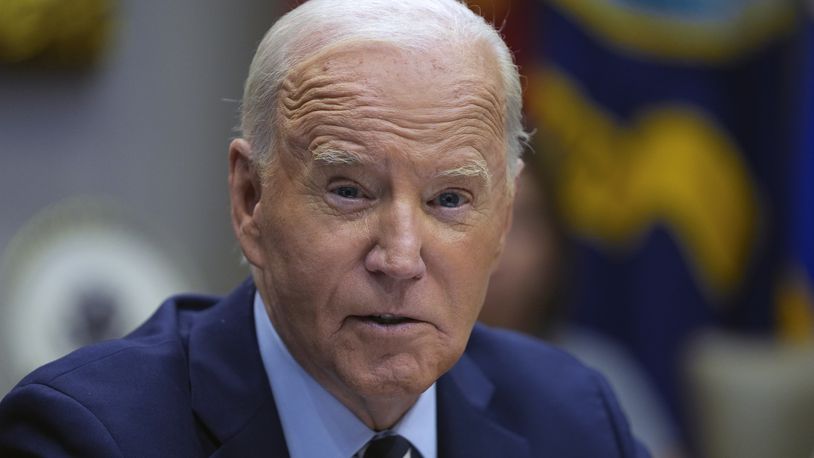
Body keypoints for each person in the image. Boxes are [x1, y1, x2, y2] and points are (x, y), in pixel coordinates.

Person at [0, 1, 649, 456]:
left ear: (503, 219)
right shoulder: (89, 436)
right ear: (251, 199)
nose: (399, 257)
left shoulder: (575, 421)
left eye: (449, 199)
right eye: (349, 191)